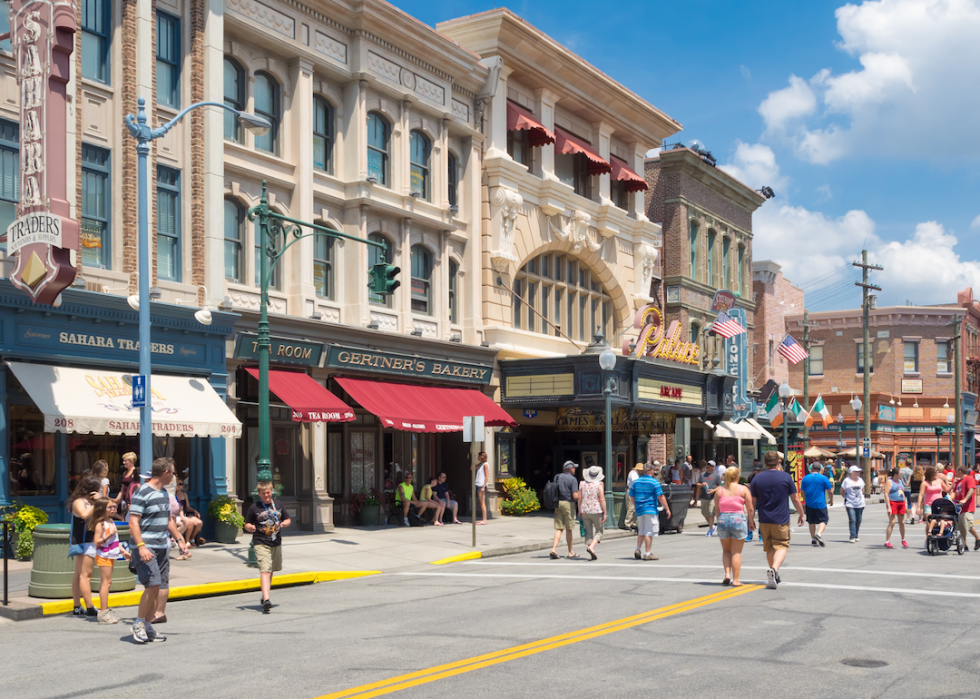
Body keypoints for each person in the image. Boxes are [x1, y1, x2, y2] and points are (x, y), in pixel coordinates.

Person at [129, 458, 188, 643]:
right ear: (165, 473)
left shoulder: (163, 493)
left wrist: (180, 540)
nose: (175, 476)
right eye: (173, 472)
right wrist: (141, 547)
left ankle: (147, 625)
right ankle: (138, 623)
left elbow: (169, 520)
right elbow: (133, 522)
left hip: (162, 546)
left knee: (158, 586)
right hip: (147, 546)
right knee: (153, 584)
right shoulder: (142, 492)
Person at [749, 450, 804, 589]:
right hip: (781, 518)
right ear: (778, 462)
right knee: (781, 545)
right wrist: (801, 514)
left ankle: (774, 574)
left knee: (769, 548)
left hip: (764, 519)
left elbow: (752, 502)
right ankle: (774, 569)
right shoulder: (785, 477)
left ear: (765, 463)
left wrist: (750, 519)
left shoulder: (757, 478)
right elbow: (795, 498)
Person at [244, 480, 292, 612]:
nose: (266, 495)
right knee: (265, 569)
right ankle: (266, 600)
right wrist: (250, 527)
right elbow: (246, 523)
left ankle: (264, 594)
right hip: (260, 541)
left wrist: (282, 524)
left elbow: (288, 519)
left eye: (268, 492)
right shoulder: (254, 508)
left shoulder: (279, 504)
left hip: (276, 542)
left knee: (271, 570)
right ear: (259, 494)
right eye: (263, 493)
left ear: (272, 492)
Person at [91, 497, 129, 624]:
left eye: (114, 506)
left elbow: (115, 541)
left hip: (111, 554)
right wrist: (109, 535)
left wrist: (123, 551)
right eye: (110, 507)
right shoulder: (100, 524)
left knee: (108, 582)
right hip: (103, 554)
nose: (113, 509)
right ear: (102, 509)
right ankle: (103, 612)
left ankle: (105, 610)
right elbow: (96, 542)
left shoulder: (111, 521)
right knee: (105, 583)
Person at [68, 475, 102, 618]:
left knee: (79, 575)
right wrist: (96, 504)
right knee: (85, 576)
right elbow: (83, 515)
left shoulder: (86, 502)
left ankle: (77, 606)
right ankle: (90, 607)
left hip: (86, 541)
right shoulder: (79, 502)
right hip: (83, 542)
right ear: (91, 491)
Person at [714, 465, 754, 586]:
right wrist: (751, 522)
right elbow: (750, 508)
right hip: (738, 518)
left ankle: (727, 574)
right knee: (736, 552)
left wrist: (719, 520)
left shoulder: (719, 490)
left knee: (726, 550)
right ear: (737, 477)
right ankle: (735, 580)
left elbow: (717, 509)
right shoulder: (743, 489)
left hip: (723, 518)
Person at [629, 462, 670, 561]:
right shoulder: (654, 482)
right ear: (651, 471)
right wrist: (667, 509)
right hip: (650, 509)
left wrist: (636, 505)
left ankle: (638, 549)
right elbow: (661, 496)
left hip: (639, 509)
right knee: (649, 531)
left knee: (641, 530)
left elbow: (631, 495)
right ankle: (647, 553)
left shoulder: (636, 482)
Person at [549, 461, 580, 559]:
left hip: (558, 503)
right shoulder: (573, 479)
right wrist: (581, 494)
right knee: (569, 529)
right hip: (568, 504)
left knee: (559, 528)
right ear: (571, 469)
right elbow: (575, 496)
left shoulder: (557, 477)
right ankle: (570, 552)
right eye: (574, 468)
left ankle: (554, 549)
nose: (575, 469)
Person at [800, 462, 833, 547]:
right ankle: (818, 534)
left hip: (809, 503)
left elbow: (802, 491)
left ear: (811, 469)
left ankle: (813, 539)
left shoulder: (805, 478)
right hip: (820, 503)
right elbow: (830, 491)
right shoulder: (823, 478)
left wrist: (805, 499)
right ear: (820, 469)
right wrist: (831, 500)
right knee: (824, 519)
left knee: (811, 521)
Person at [578, 465, 606, 560]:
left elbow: (579, 498)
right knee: (599, 530)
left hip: (585, 509)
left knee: (588, 531)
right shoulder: (599, 484)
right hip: (596, 510)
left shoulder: (582, 484)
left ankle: (591, 550)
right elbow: (602, 499)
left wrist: (579, 509)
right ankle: (591, 547)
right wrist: (605, 512)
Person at [917, 466, 950, 535]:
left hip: (939, 504)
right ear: (931, 473)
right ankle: (928, 538)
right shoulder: (925, 483)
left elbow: (947, 490)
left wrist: (951, 483)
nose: (937, 473)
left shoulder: (940, 481)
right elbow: (920, 495)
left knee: (939, 521)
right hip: (929, 505)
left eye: (937, 471)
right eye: (935, 471)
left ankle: (939, 535)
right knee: (929, 523)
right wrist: (918, 507)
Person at [952, 466, 979, 551]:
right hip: (959, 508)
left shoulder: (969, 478)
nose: (955, 473)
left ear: (960, 471)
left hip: (967, 507)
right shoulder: (958, 481)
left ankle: (978, 538)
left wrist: (965, 499)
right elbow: (954, 492)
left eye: (956, 471)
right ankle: (964, 545)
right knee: (962, 528)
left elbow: (971, 490)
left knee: (969, 526)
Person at [175, 478, 205, 546]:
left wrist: (194, 511)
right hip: (176, 516)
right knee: (190, 522)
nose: (178, 486)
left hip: (184, 514)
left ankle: (192, 539)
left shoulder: (184, 494)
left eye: (180, 484)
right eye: (177, 484)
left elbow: (188, 507)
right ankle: (187, 541)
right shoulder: (172, 495)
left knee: (199, 522)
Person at [883, 467, 908, 549]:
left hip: (901, 502)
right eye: (900, 473)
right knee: (892, 522)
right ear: (896, 474)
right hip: (893, 502)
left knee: (902, 522)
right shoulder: (889, 481)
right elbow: (886, 494)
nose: (902, 474)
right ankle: (887, 541)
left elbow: (903, 492)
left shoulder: (900, 481)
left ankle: (903, 539)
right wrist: (889, 507)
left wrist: (905, 503)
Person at [840, 466, 866, 542]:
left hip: (860, 503)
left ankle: (856, 534)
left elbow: (863, 490)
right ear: (851, 472)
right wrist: (846, 498)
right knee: (852, 519)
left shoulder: (860, 480)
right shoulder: (846, 481)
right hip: (850, 503)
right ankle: (852, 536)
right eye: (855, 472)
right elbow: (842, 491)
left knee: (859, 520)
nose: (857, 473)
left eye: (858, 472)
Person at [701, 460, 724, 536]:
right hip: (704, 496)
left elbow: (720, 486)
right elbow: (697, 484)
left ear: (713, 467)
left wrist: (713, 490)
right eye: (708, 465)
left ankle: (710, 529)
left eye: (710, 465)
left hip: (712, 497)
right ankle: (713, 526)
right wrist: (702, 484)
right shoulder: (702, 475)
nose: (708, 466)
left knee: (711, 512)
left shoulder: (716, 476)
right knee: (704, 512)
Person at [114, 452, 139, 517]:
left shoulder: (135, 472)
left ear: (132, 461)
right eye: (123, 461)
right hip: (124, 501)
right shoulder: (125, 473)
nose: (123, 462)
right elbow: (122, 489)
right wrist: (116, 501)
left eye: (125, 461)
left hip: (131, 502)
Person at [744, 462, 764, 543]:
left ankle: (761, 535)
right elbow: (748, 484)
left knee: (762, 517)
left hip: (761, 498)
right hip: (752, 498)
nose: (756, 472)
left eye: (758, 470)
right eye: (755, 470)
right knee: (750, 515)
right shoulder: (751, 476)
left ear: (762, 470)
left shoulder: (764, 477)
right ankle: (749, 534)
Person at [625, 463, 642, 531]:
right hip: (632, 491)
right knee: (631, 508)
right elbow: (635, 481)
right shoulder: (633, 473)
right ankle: (627, 523)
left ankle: (633, 523)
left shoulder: (637, 474)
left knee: (635, 508)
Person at [474, 451, 490, 525]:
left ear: (482, 457)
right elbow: (472, 468)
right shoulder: (480, 464)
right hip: (478, 484)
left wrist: (483, 486)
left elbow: (487, 476)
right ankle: (483, 519)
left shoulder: (485, 465)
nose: (478, 457)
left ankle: (484, 519)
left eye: (479, 456)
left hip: (481, 485)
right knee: (481, 502)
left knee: (482, 502)